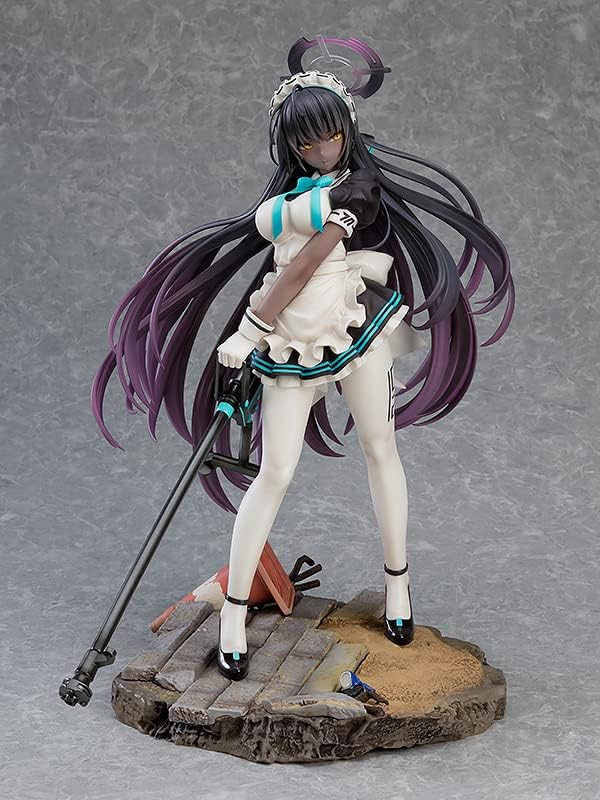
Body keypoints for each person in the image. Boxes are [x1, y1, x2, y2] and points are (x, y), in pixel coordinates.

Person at [91, 64, 514, 682]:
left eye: (331, 136)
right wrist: (262, 321)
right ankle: (234, 612)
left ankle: (398, 585)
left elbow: (305, 262)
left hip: (347, 321)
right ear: (290, 143)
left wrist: (249, 328)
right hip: (291, 334)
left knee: (379, 446)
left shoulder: (358, 188)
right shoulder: (291, 193)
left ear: (348, 130)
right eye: (306, 141)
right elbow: (274, 241)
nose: (321, 150)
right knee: (275, 471)